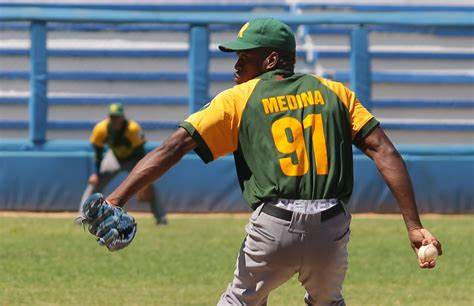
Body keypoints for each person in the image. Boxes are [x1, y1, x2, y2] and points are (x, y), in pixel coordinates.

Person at [87, 19, 442, 305]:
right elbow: (385, 151)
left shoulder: (239, 98)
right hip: (331, 228)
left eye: (245, 56)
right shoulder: (337, 92)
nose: (237, 64)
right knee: (328, 302)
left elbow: (173, 148)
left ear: (271, 60)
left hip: (274, 227)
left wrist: (116, 198)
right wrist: (413, 226)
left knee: (240, 301)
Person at [78, 103, 167, 225]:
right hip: (114, 157)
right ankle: (83, 216)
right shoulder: (101, 128)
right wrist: (95, 173)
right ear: (109, 117)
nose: (115, 120)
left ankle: (161, 218)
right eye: (112, 117)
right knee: (95, 183)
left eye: (117, 117)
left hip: (133, 160)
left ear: (123, 117)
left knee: (149, 185)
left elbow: (141, 154)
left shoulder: (133, 129)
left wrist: (144, 180)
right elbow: (98, 153)